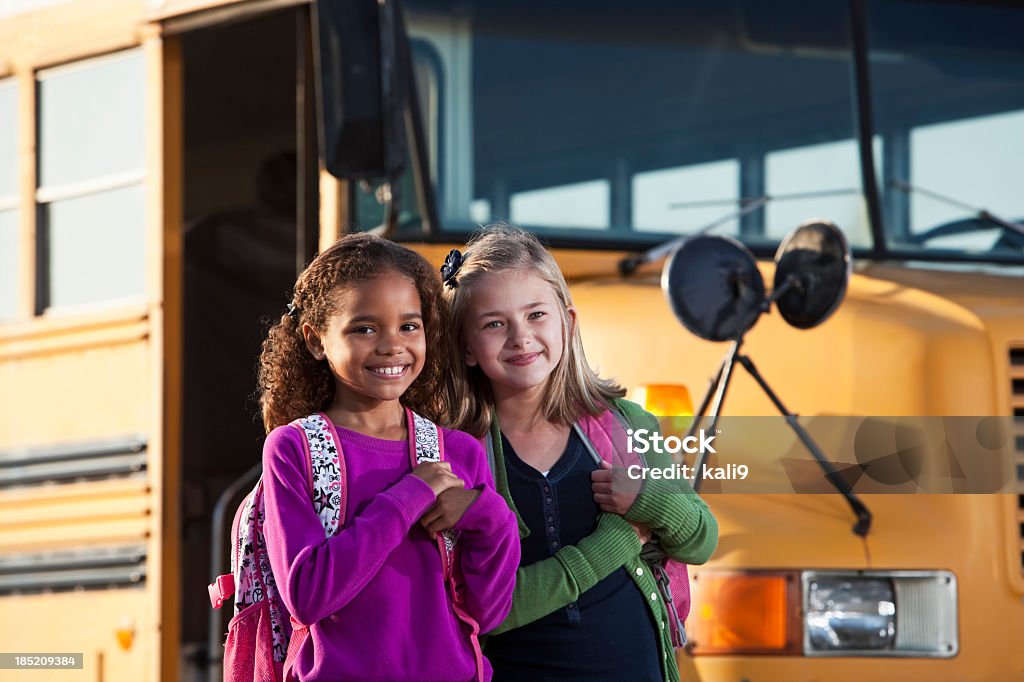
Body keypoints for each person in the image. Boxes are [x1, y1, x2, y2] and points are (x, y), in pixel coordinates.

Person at [437, 225, 718, 682]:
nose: (520, 337)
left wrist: (647, 498)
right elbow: (488, 610)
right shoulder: (458, 454)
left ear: (567, 322)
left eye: (535, 315)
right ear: (467, 347)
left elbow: (701, 539)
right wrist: (618, 541)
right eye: (494, 323)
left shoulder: (627, 425)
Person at [257, 233, 520, 682]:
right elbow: (307, 594)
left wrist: (489, 515)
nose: (391, 345)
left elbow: (487, 612)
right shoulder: (293, 448)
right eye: (364, 328)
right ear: (316, 340)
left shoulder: (459, 452)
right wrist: (409, 496)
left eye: (409, 326)